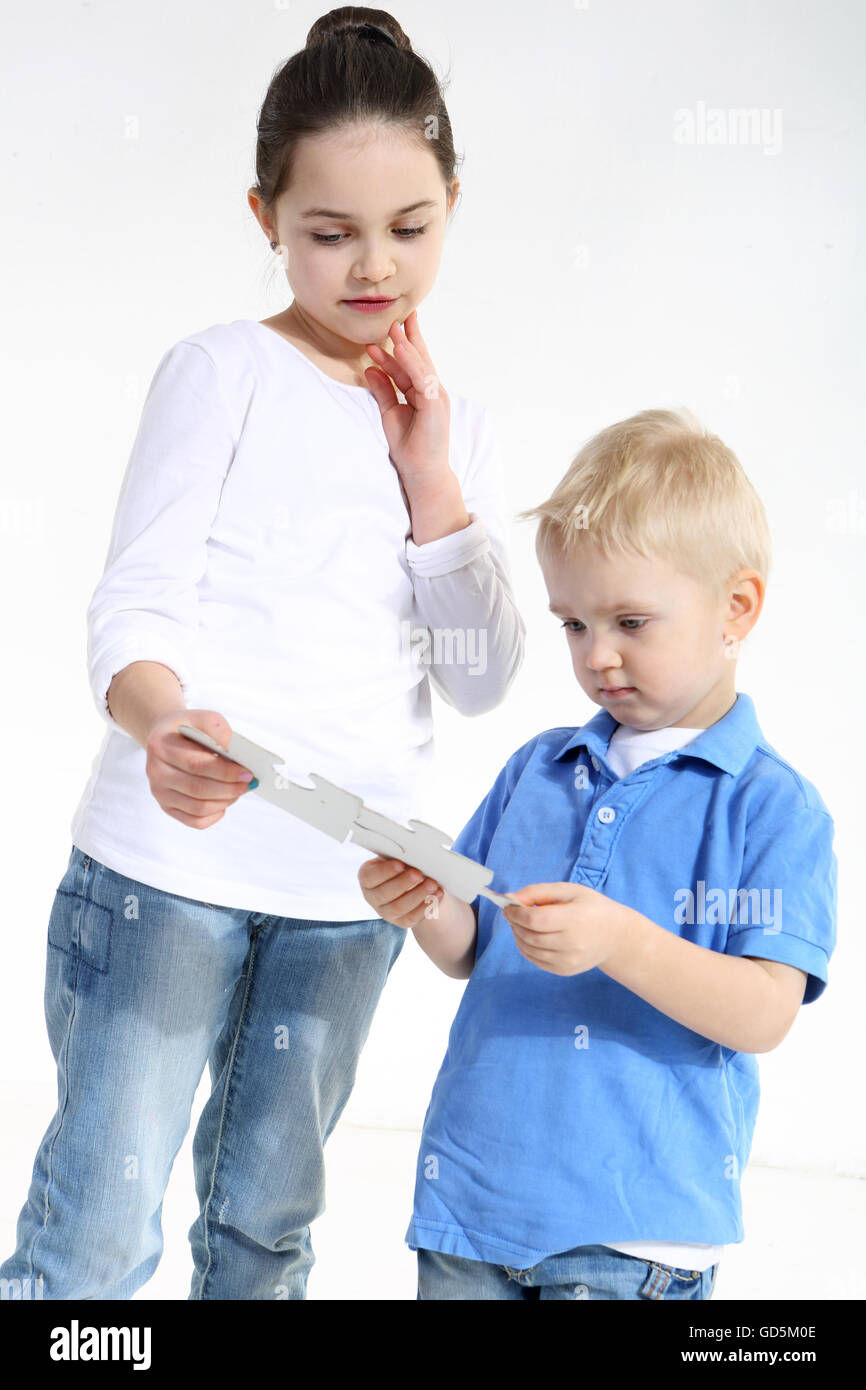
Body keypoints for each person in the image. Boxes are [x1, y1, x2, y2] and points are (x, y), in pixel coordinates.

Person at [0, 8, 525, 1301]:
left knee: (263, 1232)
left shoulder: (451, 432)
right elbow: (133, 610)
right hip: (165, 874)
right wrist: (159, 721)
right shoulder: (221, 369)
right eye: (327, 232)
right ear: (265, 217)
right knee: (93, 1238)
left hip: (346, 901)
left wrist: (430, 482)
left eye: (408, 228)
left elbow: (476, 675)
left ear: (451, 204)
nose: (371, 268)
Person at [359, 407, 838, 1300]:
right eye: (574, 625)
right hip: (470, 1202)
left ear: (738, 608)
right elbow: (471, 950)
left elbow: (765, 1014)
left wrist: (622, 942)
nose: (598, 657)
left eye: (630, 621)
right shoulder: (539, 766)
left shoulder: (771, 806)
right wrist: (425, 901)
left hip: (631, 1231)